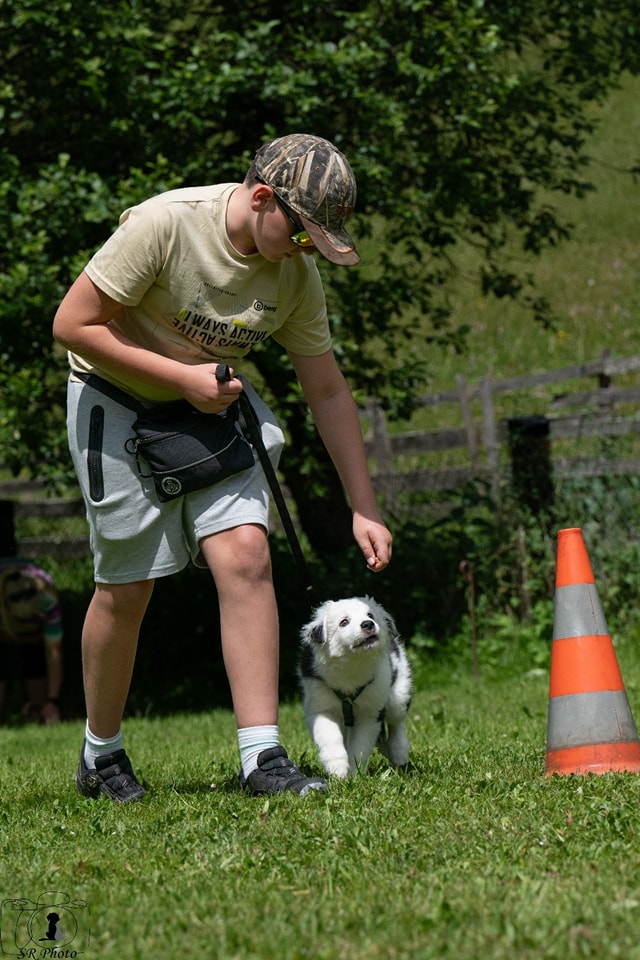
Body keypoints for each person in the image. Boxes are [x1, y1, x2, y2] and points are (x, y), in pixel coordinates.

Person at [53, 133, 393, 803]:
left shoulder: (295, 276)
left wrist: (364, 505)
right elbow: (73, 323)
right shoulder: (166, 224)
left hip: (209, 402)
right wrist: (180, 378)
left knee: (247, 556)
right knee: (128, 588)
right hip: (116, 399)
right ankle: (101, 754)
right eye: (302, 234)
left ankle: (261, 757)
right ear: (262, 199)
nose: (306, 251)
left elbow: (327, 390)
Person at [0, 559, 64, 725]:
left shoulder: (47, 599)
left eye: (32, 619)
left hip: (34, 635)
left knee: (34, 656)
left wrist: (52, 701)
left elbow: (54, 651)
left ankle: (40, 709)